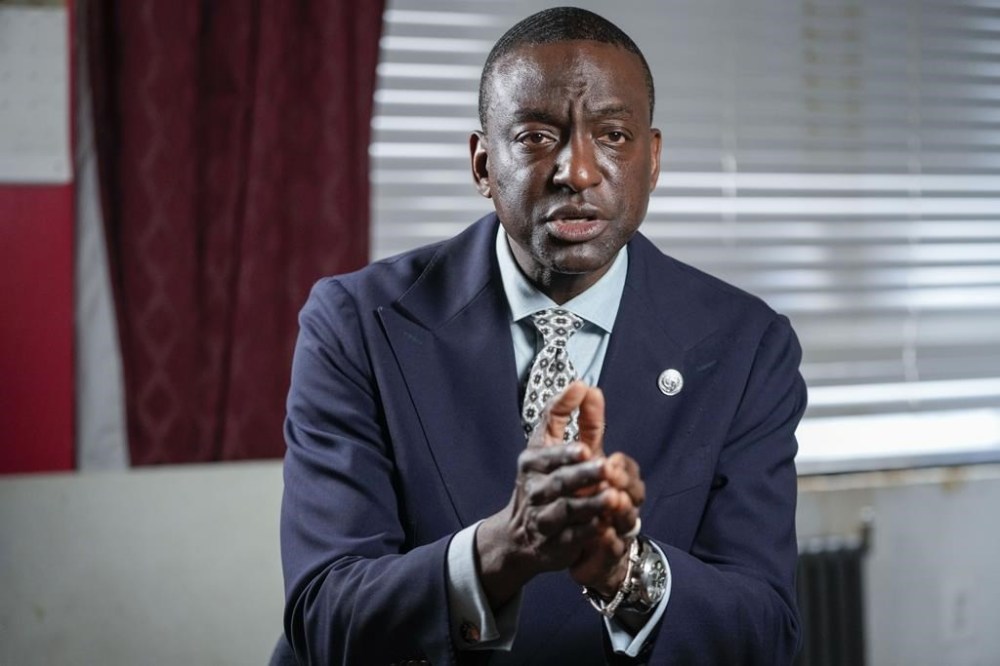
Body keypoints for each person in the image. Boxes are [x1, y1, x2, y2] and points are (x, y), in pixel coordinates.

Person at [280, 6, 806, 665]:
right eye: (534, 138)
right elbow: (326, 616)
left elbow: (765, 632)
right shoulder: (354, 324)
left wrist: (627, 574)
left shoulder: (747, 346)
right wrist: (504, 548)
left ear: (653, 159)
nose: (578, 172)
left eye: (613, 135)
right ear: (481, 164)